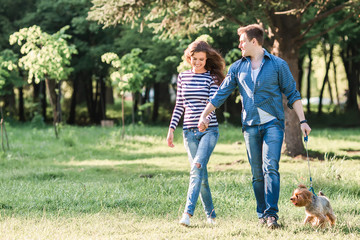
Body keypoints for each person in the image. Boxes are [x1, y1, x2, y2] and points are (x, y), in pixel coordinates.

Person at [198, 24, 311, 229]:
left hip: (272, 124)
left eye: (242, 41)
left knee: (271, 168)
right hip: (250, 126)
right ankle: (261, 214)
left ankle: (271, 216)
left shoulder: (277, 65)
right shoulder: (237, 68)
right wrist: (204, 115)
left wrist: (303, 121)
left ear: (253, 41)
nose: (239, 45)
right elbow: (220, 94)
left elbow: (293, 94)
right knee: (257, 174)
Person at [167, 40, 225, 226]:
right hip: (188, 132)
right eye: (195, 59)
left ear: (207, 59)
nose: (198, 62)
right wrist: (171, 129)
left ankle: (187, 214)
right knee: (201, 175)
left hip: (209, 131)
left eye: (201, 59)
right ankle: (212, 216)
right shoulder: (183, 77)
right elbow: (179, 106)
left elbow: (213, 104)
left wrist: (205, 119)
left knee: (196, 168)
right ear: (189, 58)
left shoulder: (212, 78)